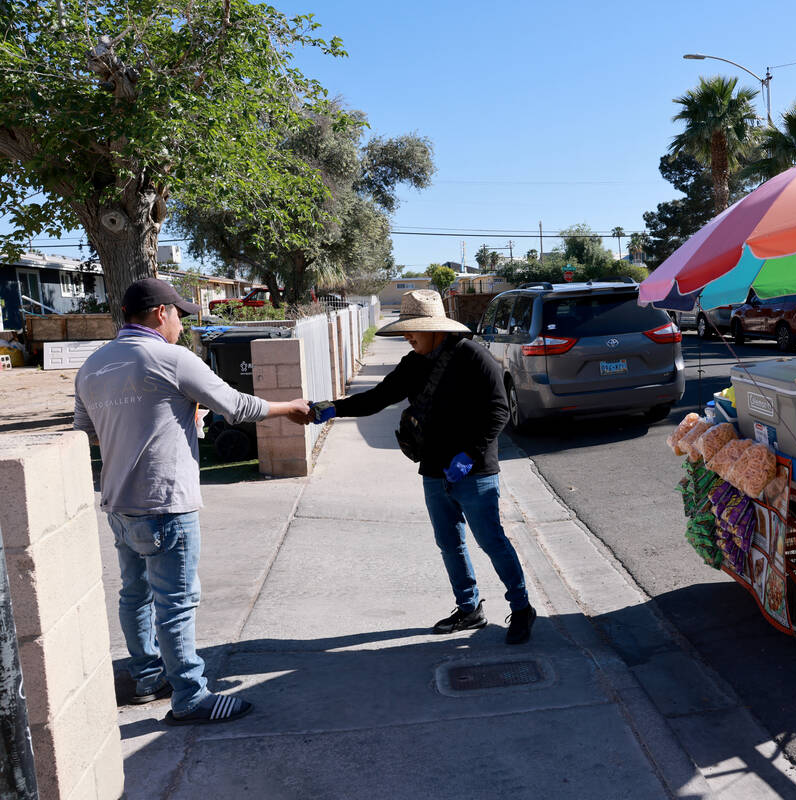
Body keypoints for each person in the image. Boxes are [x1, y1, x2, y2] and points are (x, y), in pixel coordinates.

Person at [74, 278, 310, 725]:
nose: (181, 323)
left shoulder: (93, 364)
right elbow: (236, 406)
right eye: (179, 314)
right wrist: (289, 407)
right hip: (164, 502)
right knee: (176, 601)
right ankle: (190, 697)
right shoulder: (170, 357)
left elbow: (86, 429)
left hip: (119, 503)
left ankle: (146, 677)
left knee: (135, 594)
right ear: (160, 313)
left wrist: (161, 415)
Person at [316, 289, 537, 644]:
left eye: (413, 329)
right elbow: (377, 397)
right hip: (434, 470)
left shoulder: (473, 356)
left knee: (492, 541)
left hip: (474, 471)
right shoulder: (412, 363)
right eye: (406, 329)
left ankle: (522, 608)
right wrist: (333, 409)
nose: (408, 335)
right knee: (450, 544)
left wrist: (469, 455)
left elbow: (499, 411)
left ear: (435, 328)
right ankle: (469, 609)